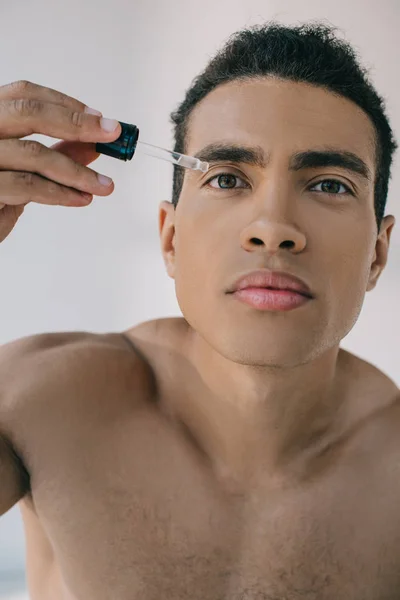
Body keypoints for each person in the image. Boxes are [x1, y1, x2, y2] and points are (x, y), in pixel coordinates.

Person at [0, 20, 399, 600]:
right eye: (229, 177)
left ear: (377, 253)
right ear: (171, 238)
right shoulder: (38, 398)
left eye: (330, 185)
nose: (273, 229)